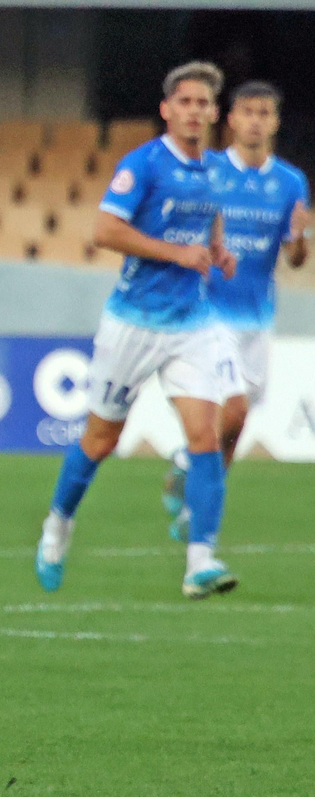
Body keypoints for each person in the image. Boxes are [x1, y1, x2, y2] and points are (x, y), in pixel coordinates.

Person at [35, 60, 240, 600]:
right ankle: (58, 523)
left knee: (205, 436)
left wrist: (218, 248)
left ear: (214, 114)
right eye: (186, 103)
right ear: (167, 110)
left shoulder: (217, 169)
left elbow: (209, 213)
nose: (195, 112)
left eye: (204, 104)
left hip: (192, 325)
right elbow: (104, 230)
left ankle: (201, 561)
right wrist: (178, 252)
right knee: (102, 439)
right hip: (133, 324)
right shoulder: (143, 165)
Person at [162, 80, 308, 530]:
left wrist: (301, 237)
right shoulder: (209, 172)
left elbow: (296, 259)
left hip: (257, 318)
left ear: (275, 121)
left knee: (236, 424)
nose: (256, 121)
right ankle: (190, 460)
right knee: (234, 407)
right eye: (248, 112)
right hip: (208, 314)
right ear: (231, 119)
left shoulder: (290, 182)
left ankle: (196, 502)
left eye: (265, 113)